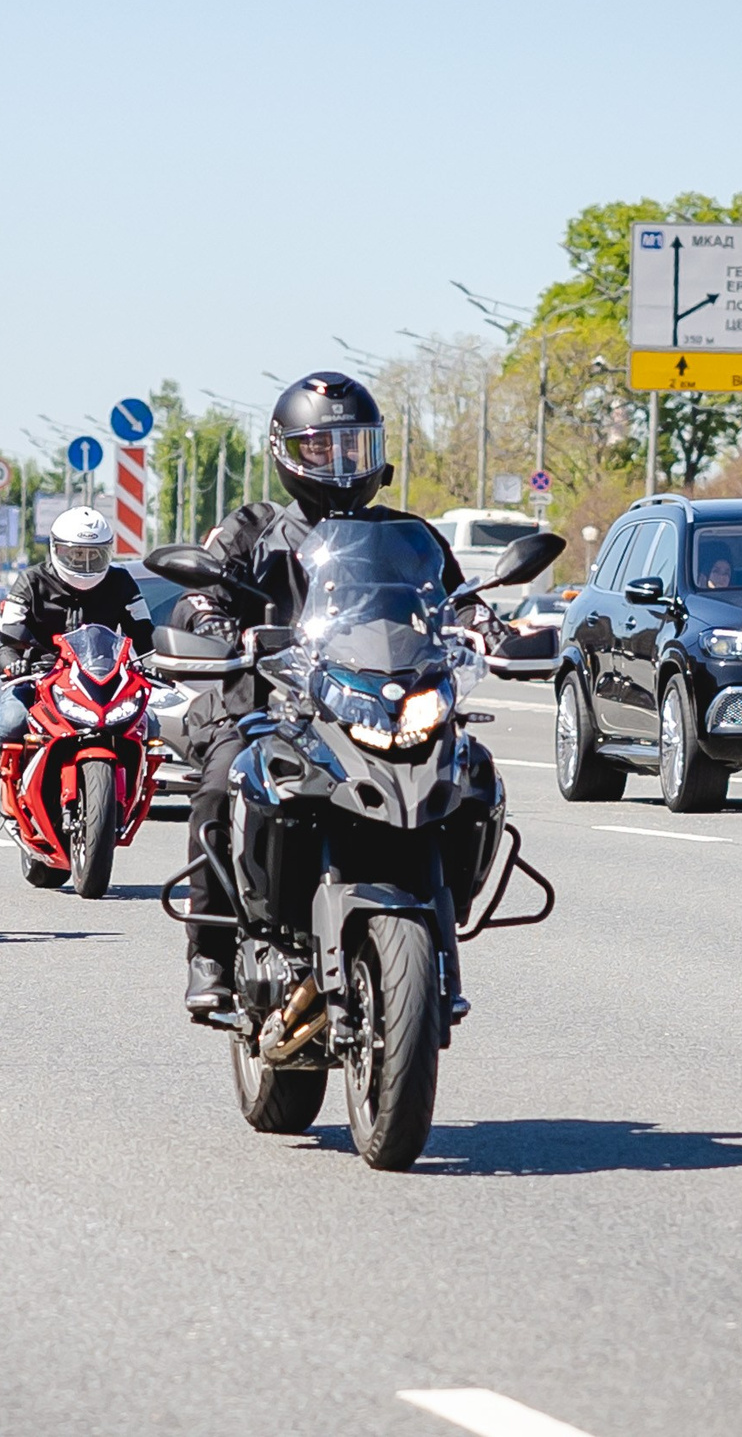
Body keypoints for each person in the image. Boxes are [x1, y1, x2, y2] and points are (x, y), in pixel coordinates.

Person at [171, 371, 497, 1016]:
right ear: (286, 451)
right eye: (320, 446)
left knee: (471, 773)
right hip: (271, 705)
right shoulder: (254, 528)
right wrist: (213, 623)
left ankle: (440, 920)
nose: (341, 460)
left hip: (382, 699)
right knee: (221, 781)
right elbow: (200, 596)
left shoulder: (408, 535)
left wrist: (486, 626)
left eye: (355, 445)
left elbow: (456, 600)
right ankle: (211, 949)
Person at [0, 505, 155, 816]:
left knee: (151, 722)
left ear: (108, 552)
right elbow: (7, 637)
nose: (85, 562)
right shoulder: (31, 581)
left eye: (94, 555)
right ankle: (10, 781)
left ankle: (141, 785)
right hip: (40, 677)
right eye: (75, 554)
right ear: (56, 549)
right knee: (13, 720)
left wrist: (155, 661)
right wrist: (15, 664)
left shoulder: (121, 581)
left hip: (101, 679)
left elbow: (144, 632)